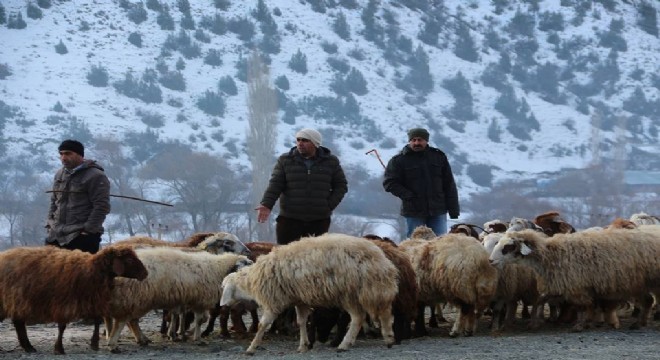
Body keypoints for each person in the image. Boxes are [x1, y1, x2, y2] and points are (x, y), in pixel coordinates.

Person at [256, 128, 348, 245]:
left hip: (318, 221)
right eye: (298, 140)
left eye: (305, 140)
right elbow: (275, 184)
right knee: (286, 258)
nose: (300, 143)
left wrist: (328, 205)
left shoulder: (331, 161)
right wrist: (266, 204)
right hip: (289, 220)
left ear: (315, 143)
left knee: (314, 259)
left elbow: (341, 185)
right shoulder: (285, 160)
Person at [383, 128, 460, 237]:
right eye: (413, 140)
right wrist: (408, 195)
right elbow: (389, 183)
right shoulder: (398, 161)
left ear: (426, 141)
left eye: (420, 140)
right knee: (415, 245)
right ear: (409, 141)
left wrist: (454, 210)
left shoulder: (439, 157)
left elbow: (449, 185)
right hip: (413, 211)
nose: (416, 143)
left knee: (440, 243)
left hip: (438, 210)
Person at [45, 139, 111, 254]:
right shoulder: (60, 174)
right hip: (56, 236)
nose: (63, 157)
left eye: (68, 153)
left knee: (81, 272)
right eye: (61, 154)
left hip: (81, 237)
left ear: (80, 154)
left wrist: (88, 230)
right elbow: (54, 201)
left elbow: (102, 206)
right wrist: (50, 223)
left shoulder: (96, 176)